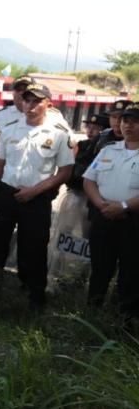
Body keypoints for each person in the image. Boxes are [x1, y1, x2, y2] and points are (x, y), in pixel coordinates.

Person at [0, 85, 73, 310]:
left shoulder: (59, 133)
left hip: (37, 198)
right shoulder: (10, 129)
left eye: (36, 101)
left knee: (34, 247)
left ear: (48, 104)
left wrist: (35, 191)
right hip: (6, 194)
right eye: (27, 100)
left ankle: (35, 293)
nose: (29, 106)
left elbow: (65, 171)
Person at [83, 103, 139, 321]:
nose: (128, 125)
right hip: (104, 215)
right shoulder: (108, 150)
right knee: (100, 267)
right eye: (125, 120)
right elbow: (89, 180)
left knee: (131, 271)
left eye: (135, 121)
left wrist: (123, 206)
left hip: (132, 220)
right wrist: (101, 205)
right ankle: (91, 313)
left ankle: (125, 319)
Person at [67, 113, 109, 191]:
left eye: (96, 128)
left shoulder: (107, 148)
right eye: (89, 127)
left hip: (94, 189)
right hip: (76, 187)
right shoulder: (81, 144)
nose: (90, 131)